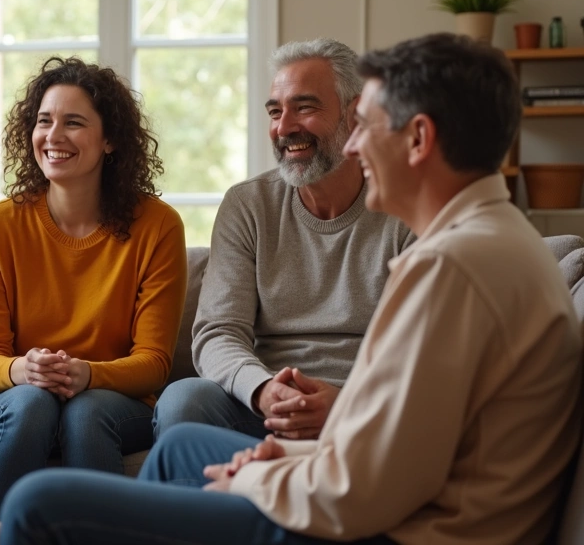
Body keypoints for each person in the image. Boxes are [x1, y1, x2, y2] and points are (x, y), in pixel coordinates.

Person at [0, 33, 583, 544]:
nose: (355, 145)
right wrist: (280, 452)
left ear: (418, 139)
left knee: (35, 503)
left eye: (368, 125)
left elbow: (366, 487)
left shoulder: (453, 268)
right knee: (178, 446)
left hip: (404, 530)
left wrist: (257, 476)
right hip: (381, 494)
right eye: (276, 109)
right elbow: (395, 444)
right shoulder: (492, 240)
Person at [154, 38, 412, 442]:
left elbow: (423, 350)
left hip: (365, 408)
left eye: (304, 107)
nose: (284, 127)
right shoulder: (248, 205)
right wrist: (261, 390)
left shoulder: (406, 206)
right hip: (263, 404)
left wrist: (348, 402)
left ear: (357, 113)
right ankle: (236, 503)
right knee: (183, 400)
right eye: (276, 111)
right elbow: (217, 332)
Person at [0, 56, 187, 523]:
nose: (54, 136)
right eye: (44, 121)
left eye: (74, 123)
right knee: (31, 404)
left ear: (110, 140)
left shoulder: (158, 226)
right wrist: (22, 370)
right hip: (16, 396)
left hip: (112, 399)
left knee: (85, 413)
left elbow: (153, 363)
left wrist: (88, 374)